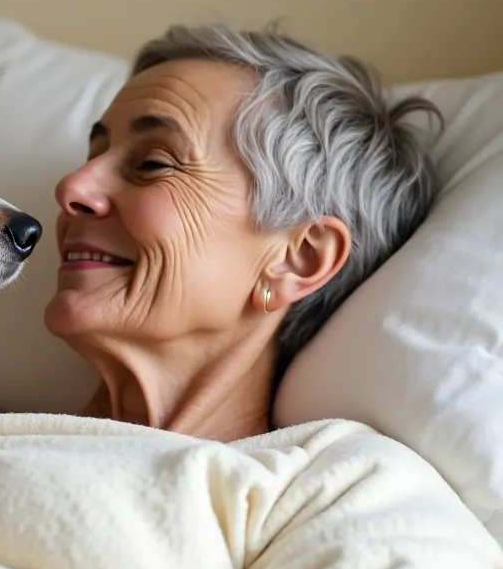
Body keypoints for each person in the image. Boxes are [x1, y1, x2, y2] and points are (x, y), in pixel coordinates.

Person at [44, 24, 441, 441]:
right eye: (93, 156)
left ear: (298, 260)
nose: (71, 187)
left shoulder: (331, 480)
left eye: (153, 164)